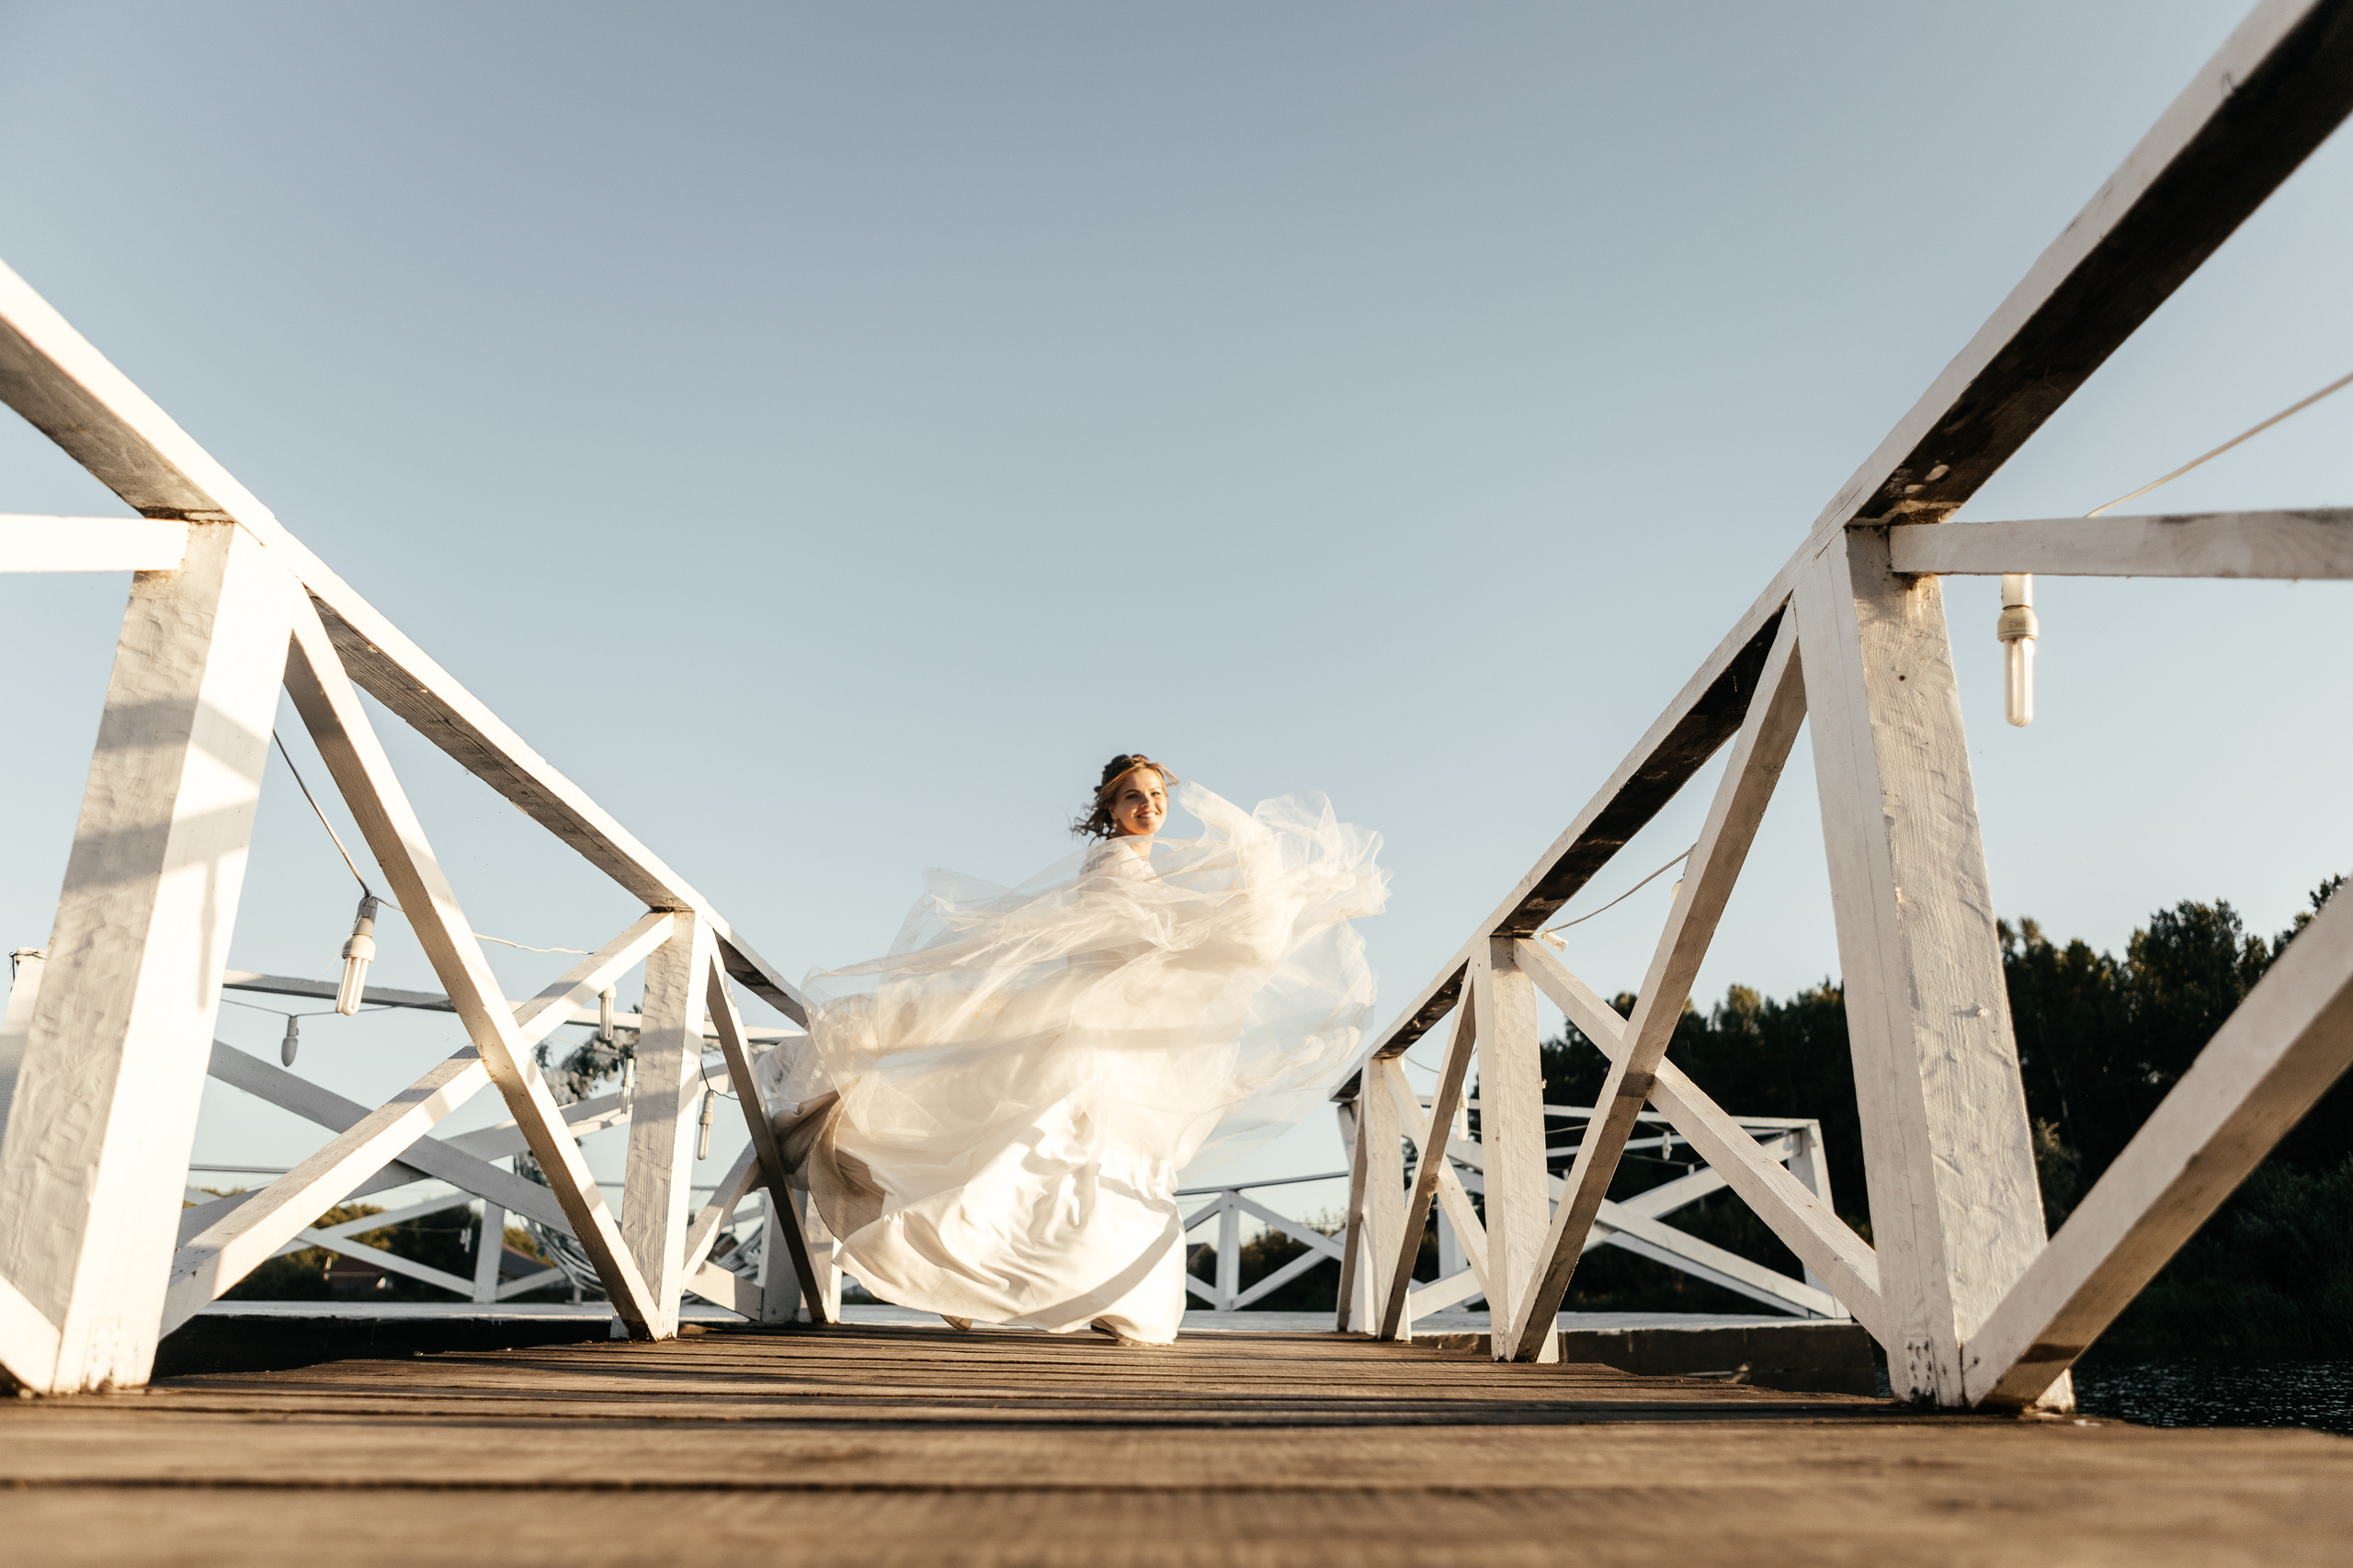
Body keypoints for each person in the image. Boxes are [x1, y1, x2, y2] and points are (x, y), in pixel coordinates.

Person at [770, 754, 1388, 1345]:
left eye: (1157, 795)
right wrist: (1234, 928)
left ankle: (1089, 1293)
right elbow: (1136, 938)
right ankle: (967, 1270)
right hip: (1096, 1028)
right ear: (1110, 809)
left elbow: (1161, 937)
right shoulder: (1113, 861)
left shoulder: (1145, 864)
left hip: (1130, 1031)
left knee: (1100, 1161)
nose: (1148, 806)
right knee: (1059, 1151)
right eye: (1133, 797)